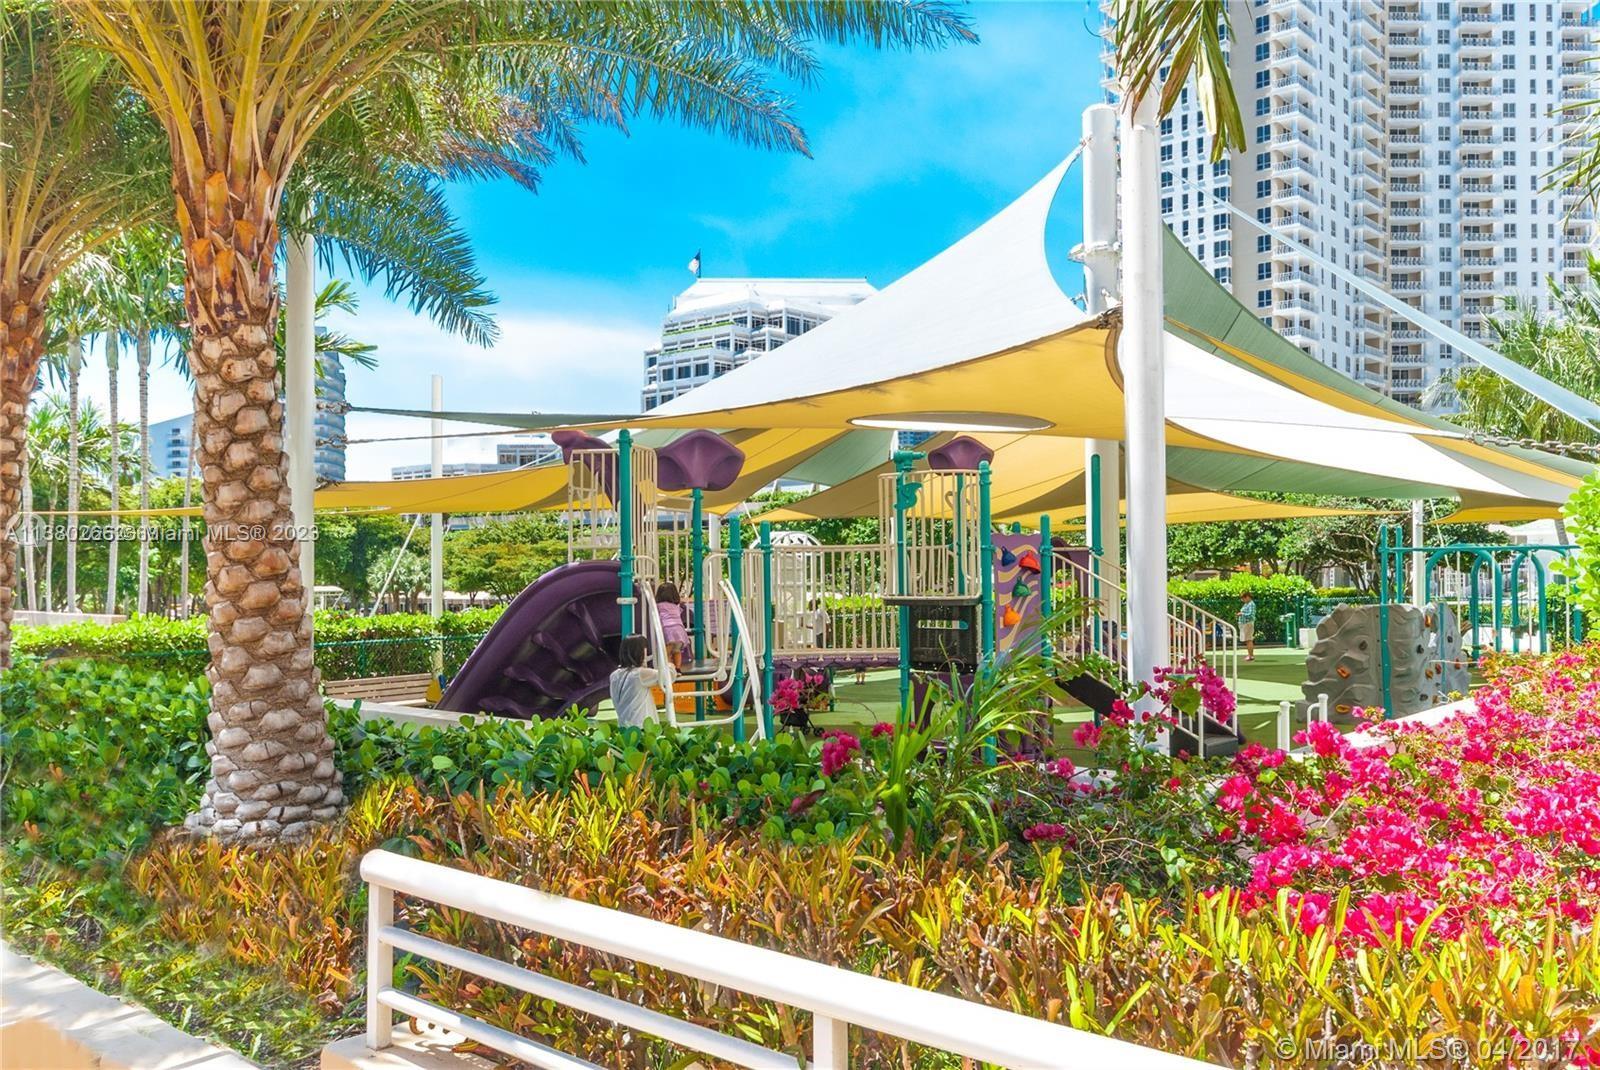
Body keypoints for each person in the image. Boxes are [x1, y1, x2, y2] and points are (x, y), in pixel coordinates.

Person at [609, 636, 659, 728]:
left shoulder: (614, 675)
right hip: (642, 727)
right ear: (639, 653)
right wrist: (670, 664)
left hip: (624, 726)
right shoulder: (640, 674)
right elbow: (667, 676)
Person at [654, 582, 689, 667]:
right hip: (679, 630)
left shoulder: (658, 606)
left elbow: (657, 616)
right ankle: (677, 668)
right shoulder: (676, 605)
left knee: (667, 651)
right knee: (677, 651)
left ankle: (666, 668)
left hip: (667, 628)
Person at [1237, 591, 1257, 662]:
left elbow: (1250, 614)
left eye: (1243, 598)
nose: (1242, 600)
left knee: (1248, 639)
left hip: (1248, 624)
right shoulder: (1247, 604)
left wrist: (1241, 614)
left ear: (1247, 597)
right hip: (1244, 624)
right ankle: (1250, 655)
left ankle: (1251, 656)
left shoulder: (1251, 604)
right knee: (1247, 640)